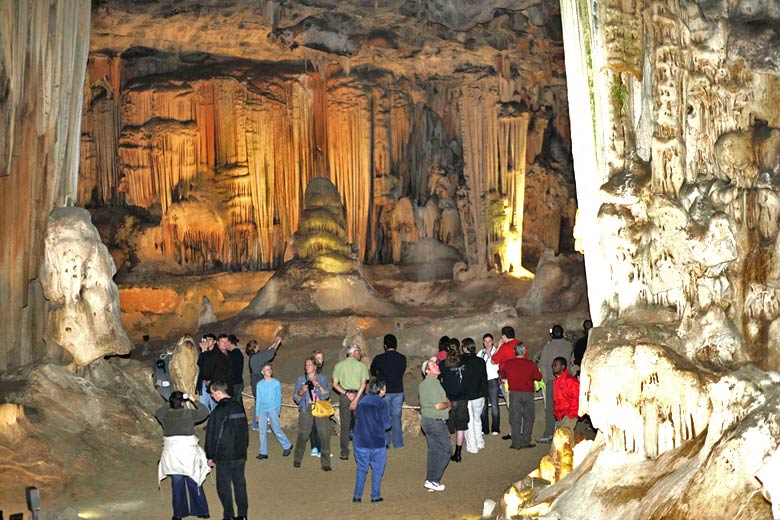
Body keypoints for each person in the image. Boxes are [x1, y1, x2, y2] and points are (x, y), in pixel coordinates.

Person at [155, 391, 210, 520]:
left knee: (177, 483)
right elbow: (204, 412)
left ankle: (179, 513)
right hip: (187, 452)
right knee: (193, 479)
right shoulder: (189, 414)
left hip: (172, 453)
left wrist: (170, 402)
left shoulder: (165, 415)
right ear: (182, 402)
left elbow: (158, 412)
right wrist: (192, 400)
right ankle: (202, 511)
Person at [205, 381, 249, 520]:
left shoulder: (218, 411)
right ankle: (243, 515)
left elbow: (213, 435)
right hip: (240, 454)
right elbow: (245, 432)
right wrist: (243, 449)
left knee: (223, 487)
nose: (212, 397)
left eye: (212, 394)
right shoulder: (238, 407)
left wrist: (210, 456)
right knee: (239, 484)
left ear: (218, 392)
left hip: (224, 455)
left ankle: (228, 515)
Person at [352, 378, 391, 503]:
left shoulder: (362, 400)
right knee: (378, 469)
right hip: (376, 441)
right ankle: (375, 495)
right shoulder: (382, 403)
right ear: (381, 389)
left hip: (360, 440)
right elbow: (386, 425)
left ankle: (357, 496)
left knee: (361, 468)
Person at [500, 342, 542, 450]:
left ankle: (516, 443)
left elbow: (503, 375)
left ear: (514, 352)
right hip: (528, 394)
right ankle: (525, 441)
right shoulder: (530, 364)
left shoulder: (508, 363)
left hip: (514, 394)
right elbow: (538, 376)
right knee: (529, 418)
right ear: (525, 352)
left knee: (515, 418)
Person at [293, 356, 332, 471]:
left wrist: (318, 385)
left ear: (315, 367)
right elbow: (296, 396)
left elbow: (326, 395)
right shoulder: (301, 379)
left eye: (310, 365)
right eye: (306, 365)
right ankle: (297, 458)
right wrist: (302, 390)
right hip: (307, 408)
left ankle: (325, 462)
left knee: (324, 435)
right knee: (303, 434)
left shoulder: (322, 378)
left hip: (319, 407)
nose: (307, 367)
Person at [332, 344, 370, 461]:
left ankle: (344, 452)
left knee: (345, 425)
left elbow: (335, 384)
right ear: (353, 352)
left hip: (345, 397)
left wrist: (347, 394)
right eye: (358, 351)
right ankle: (361, 451)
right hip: (359, 396)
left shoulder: (339, 366)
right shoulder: (362, 366)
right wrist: (356, 399)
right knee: (360, 424)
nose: (360, 353)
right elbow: (363, 384)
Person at [418, 357, 451, 492]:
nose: (437, 366)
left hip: (428, 421)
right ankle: (433, 479)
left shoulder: (428, 383)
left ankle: (430, 480)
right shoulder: (431, 383)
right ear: (427, 371)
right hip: (435, 422)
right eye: (433, 366)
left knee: (434, 451)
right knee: (446, 450)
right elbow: (439, 405)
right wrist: (448, 404)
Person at [370, 333, 407, 449]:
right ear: (396, 345)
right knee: (396, 417)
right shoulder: (402, 358)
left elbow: (372, 371)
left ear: (385, 345)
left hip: (384, 391)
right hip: (398, 391)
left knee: (383, 417)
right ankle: (398, 443)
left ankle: (385, 443)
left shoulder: (379, 358)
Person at [537, 325, 572, 444]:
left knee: (551, 408)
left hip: (553, 381)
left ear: (552, 334)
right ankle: (565, 432)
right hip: (567, 380)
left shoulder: (548, 347)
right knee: (566, 406)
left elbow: (542, 364)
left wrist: (546, 379)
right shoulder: (568, 345)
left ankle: (549, 434)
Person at [254, 363, 293, 460]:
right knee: (262, 431)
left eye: (270, 368)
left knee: (276, 428)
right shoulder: (259, 384)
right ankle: (263, 452)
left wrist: (277, 410)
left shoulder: (276, 383)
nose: (269, 370)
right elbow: (258, 399)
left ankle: (287, 445)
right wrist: (257, 413)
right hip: (262, 409)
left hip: (272, 409)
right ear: (262, 372)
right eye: (266, 369)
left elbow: (278, 397)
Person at [438, 338, 468, 463]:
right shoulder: (464, 363)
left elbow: (440, 379)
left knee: (448, 427)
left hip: (449, 399)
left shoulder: (443, 364)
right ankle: (458, 453)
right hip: (462, 398)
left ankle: (447, 450)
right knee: (460, 427)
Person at [247, 337, 283, 430]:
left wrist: (274, 343)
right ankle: (263, 425)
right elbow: (269, 354)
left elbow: (266, 351)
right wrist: (278, 343)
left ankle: (256, 424)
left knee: (259, 402)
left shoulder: (253, 357)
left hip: (255, 381)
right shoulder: (256, 357)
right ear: (255, 347)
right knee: (263, 403)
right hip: (258, 381)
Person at [461, 337, 487, 454]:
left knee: (468, 421)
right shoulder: (480, 361)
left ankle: (472, 447)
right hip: (479, 395)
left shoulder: (461, 361)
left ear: (465, 348)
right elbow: (484, 379)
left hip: (466, 395)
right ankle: (480, 442)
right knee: (477, 419)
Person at [478, 333, 501, 435]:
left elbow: (496, 365)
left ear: (492, 342)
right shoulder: (480, 353)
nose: (487, 343)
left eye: (489, 341)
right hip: (483, 381)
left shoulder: (497, 351)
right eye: (485, 341)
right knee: (483, 406)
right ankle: (485, 428)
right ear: (483, 342)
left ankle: (495, 428)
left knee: (495, 405)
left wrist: (490, 355)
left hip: (493, 380)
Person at [552, 357, 580, 431]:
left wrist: (571, 414)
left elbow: (577, 398)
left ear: (563, 366)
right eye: (553, 364)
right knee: (564, 439)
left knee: (564, 439)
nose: (553, 366)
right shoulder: (557, 381)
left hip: (568, 415)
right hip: (560, 416)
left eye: (556, 365)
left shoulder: (570, 381)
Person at [309, 349, 325, 457]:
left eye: (322, 358)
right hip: (313, 401)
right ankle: (317, 449)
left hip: (317, 401)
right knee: (315, 426)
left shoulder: (319, 373)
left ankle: (315, 448)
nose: (321, 360)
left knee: (315, 426)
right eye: (318, 358)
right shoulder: (314, 373)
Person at [227, 334, 244, 405]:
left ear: (229, 343)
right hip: (239, 382)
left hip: (234, 384)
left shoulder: (233, 355)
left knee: (235, 405)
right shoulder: (238, 353)